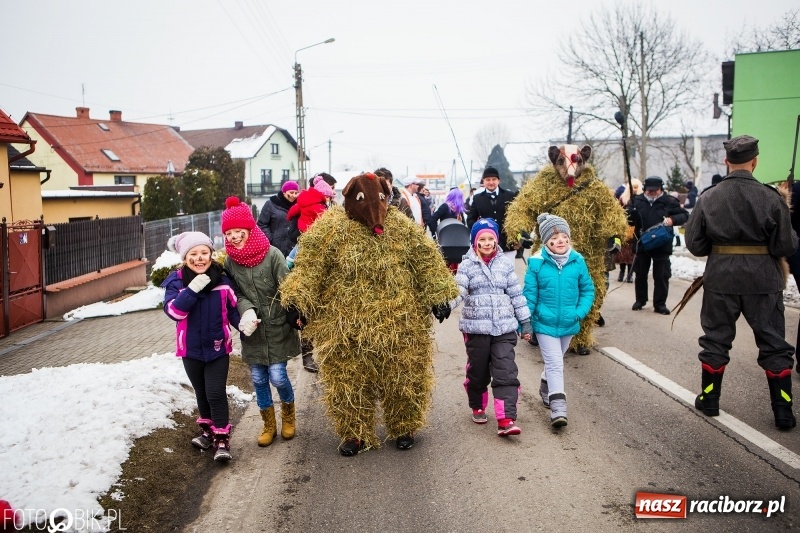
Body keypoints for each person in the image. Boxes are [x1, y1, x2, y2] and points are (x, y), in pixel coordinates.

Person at [280, 172, 458, 456]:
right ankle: (354, 432)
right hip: (344, 325)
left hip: (401, 322)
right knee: (348, 381)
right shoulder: (330, 231)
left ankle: (403, 425)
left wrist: (438, 295)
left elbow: (426, 259)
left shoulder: (401, 227)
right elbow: (309, 268)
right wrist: (297, 302)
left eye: (380, 199)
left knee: (403, 376)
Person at [685, 135, 798, 429]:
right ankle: (783, 412)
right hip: (763, 279)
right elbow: (786, 245)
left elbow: (695, 245)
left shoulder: (708, 197)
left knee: (716, 340)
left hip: (721, 278)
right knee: (774, 344)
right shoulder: (771, 197)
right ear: (755, 161)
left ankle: (710, 399)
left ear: (727, 162)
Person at [221, 197, 303, 447]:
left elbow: (288, 286)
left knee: (277, 376)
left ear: (249, 230)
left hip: (277, 325)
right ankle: (269, 425)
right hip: (253, 330)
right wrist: (245, 312)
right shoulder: (230, 261)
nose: (234, 237)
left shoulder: (272, 254)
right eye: (229, 233)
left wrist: (294, 312)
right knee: (258, 379)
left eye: (239, 231)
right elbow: (237, 293)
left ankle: (288, 416)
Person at [448, 218, 532, 436]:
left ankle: (506, 419)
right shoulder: (467, 265)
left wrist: (525, 321)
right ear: (474, 242)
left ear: (496, 241)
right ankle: (477, 403)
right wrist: (444, 306)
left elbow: (515, 294)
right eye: (482, 239)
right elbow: (459, 291)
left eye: (491, 239)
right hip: (477, 329)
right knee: (478, 372)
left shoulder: (504, 263)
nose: (487, 243)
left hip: (504, 328)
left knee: (506, 371)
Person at [162, 231, 241, 462]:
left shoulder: (223, 280)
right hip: (191, 349)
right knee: (202, 393)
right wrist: (192, 290)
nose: (199, 258)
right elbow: (175, 312)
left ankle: (222, 439)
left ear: (211, 254)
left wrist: (244, 325)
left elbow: (233, 311)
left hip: (218, 347)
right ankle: (207, 432)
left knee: (216, 392)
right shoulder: (176, 281)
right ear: (184, 258)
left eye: (204, 253)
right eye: (193, 254)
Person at [523, 214, 595, 427]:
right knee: (555, 363)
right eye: (554, 239)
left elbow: (587, 290)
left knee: (556, 361)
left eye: (563, 236)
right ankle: (558, 409)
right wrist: (525, 322)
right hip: (544, 323)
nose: (560, 241)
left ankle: (546, 385)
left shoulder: (577, 261)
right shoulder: (536, 263)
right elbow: (529, 296)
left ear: (569, 238)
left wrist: (578, 312)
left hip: (569, 323)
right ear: (546, 243)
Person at [285, 174, 336, 372]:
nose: (331, 194)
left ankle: (330, 352)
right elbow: (292, 233)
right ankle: (307, 354)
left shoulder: (330, 207)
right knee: (307, 311)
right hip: (307, 267)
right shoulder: (309, 207)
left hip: (328, 267)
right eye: (330, 188)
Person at [626, 176, 689, 314]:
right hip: (642, 243)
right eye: (649, 191)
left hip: (662, 244)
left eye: (655, 190)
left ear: (661, 189)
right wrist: (631, 214)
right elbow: (628, 221)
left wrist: (673, 220)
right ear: (645, 189)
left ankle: (660, 304)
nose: (652, 193)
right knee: (640, 274)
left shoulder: (669, 201)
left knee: (661, 275)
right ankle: (640, 300)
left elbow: (684, 215)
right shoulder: (637, 201)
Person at [467, 166, 518, 261]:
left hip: (507, 245)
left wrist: (519, 237)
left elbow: (518, 218)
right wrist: (480, 228)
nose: (491, 182)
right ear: (483, 181)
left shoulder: (510, 195)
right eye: (488, 179)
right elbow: (470, 219)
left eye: (494, 179)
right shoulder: (477, 198)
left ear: (499, 180)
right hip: (486, 247)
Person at [257, 181, 299, 257]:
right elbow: (262, 224)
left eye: (296, 193)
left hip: (293, 249)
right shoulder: (271, 204)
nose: (294, 195)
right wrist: (271, 239)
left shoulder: (299, 206)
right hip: (274, 248)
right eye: (291, 192)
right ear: (284, 192)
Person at [615, 178, 642, 283]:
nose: (634, 189)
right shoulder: (623, 198)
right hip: (625, 227)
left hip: (635, 229)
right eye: (632, 187)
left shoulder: (640, 200)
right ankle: (621, 272)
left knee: (632, 254)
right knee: (623, 253)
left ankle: (630, 274)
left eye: (636, 187)